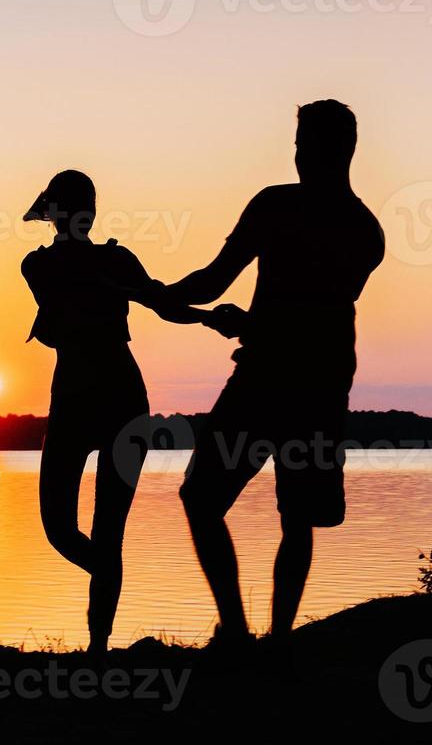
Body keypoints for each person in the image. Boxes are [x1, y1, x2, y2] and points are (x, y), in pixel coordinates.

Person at [169, 100, 386, 647]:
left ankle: (245, 632)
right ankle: (266, 637)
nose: (295, 154)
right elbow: (310, 310)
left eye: (301, 143)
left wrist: (164, 298)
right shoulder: (367, 230)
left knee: (209, 499)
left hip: (272, 378)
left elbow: (222, 284)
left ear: (328, 149)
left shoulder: (278, 207)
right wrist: (232, 318)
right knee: (297, 515)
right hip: (318, 379)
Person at [21, 169, 210, 656]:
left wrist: (211, 316)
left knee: (108, 529)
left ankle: (98, 648)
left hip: (120, 401)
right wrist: (127, 283)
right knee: (59, 527)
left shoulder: (116, 260)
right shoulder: (37, 265)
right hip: (79, 400)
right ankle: (105, 580)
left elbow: (164, 304)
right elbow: (76, 281)